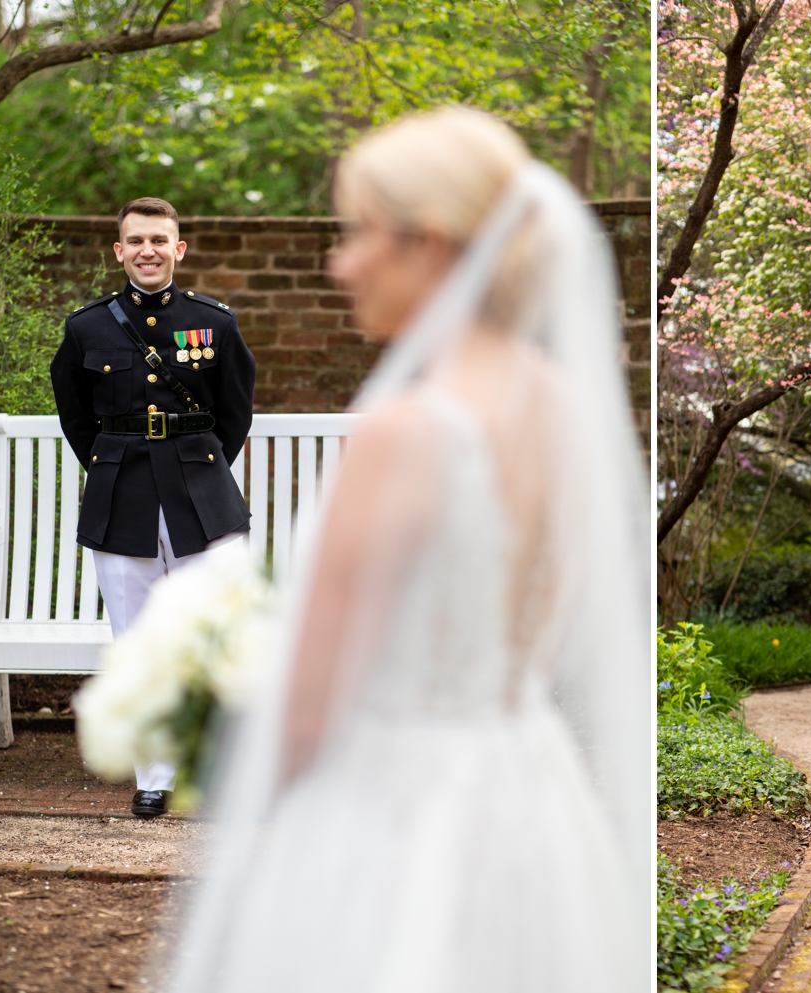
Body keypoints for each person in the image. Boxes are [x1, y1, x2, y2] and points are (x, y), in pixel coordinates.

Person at [162, 109, 650, 990]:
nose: (337, 261)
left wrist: (204, 707)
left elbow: (306, 715)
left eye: (357, 233)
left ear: (429, 244)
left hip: (393, 810)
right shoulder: (569, 412)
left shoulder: (408, 434)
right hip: (529, 794)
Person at [49, 197, 256, 818]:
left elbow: (235, 411)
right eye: (135, 240)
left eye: (159, 240)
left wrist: (201, 464)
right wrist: (111, 465)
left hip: (203, 498)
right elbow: (76, 415)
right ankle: (155, 776)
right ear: (118, 250)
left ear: (178, 249)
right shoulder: (87, 328)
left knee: (211, 638)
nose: (147, 250)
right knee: (135, 641)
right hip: (123, 499)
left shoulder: (214, 323)